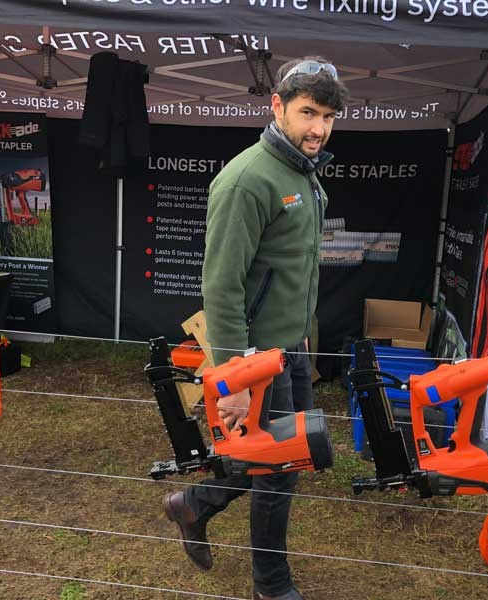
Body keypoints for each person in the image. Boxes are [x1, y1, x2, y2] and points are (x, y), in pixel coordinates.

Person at [161, 57, 348, 600]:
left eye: (328, 116)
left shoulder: (302, 173)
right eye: (307, 113)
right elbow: (221, 287)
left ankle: (193, 505)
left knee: (287, 454)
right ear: (277, 108)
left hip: (291, 347)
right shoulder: (247, 180)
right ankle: (271, 584)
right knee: (279, 465)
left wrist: (302, 333)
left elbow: (291, 268)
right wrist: (234, 376)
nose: (318, 128)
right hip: (256, 358)